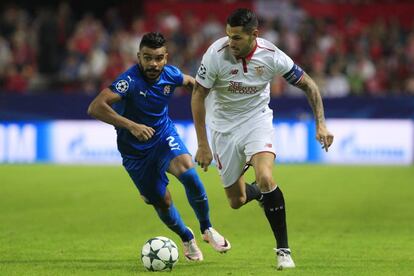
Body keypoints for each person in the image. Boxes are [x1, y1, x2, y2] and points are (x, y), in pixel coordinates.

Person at [191, 8, 334, 270]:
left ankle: (283, 251)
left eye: (236, 38)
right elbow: (198, 94)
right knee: (237, 201)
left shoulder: (272, 56)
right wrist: (202, 143)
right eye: (228, 36)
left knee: (267, 177)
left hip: (256, 122)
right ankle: (257, 192)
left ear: (254, 35)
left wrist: (321, 124)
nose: (230, 42)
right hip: (222, 129)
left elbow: (309, 85)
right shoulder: (215, 54)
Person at [87, 32, 231, 261]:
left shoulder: (171, 74)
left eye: (158, 58)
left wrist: (216, 94)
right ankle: (186, 237)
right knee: (162, 201)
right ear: (139, 57)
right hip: (135, 152)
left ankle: (207, 228)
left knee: (188, 171)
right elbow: (95, 107)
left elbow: (193, 83)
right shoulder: (129, 81)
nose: (153, 64)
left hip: (163, 136)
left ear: (166, 57)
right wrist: (131, 125)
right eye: (147, 58)